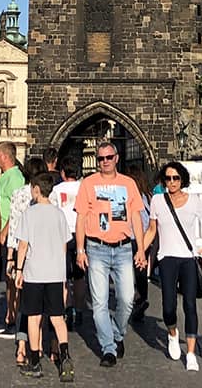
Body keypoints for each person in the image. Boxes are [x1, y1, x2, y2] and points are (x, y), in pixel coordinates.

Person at [74, 140, 146, 367]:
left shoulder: (128, 183)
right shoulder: (88, 183)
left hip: (124, 248)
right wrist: (80, 249)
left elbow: (135, 217)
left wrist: (141, 249)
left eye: (108, 157)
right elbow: (81, 218)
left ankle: (117, 333)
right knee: (100, 303)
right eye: (101, 158)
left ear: (116, 158)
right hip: (96, 248)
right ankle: (108, 350)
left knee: (126, 300)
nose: (104, 162)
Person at [144, 161, 202, 372]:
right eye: (168, 178)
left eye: (176, 178)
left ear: (182, 179)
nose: (172, 182)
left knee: (190, 305)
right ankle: (172, 333)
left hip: (188, 258)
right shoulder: (157, 201)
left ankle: (191, 353)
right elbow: (151, 230)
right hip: (166, 258)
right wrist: (140, 251)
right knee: (168, 306)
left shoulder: (193, 201)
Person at [15, 172, 74, 381]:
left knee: (34, 317)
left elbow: (23, 245)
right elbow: (64, 245)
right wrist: (63, 273)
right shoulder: (59, 214)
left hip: (34, 273)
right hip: (55, 273)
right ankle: (65, 357)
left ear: (36, 190)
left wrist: (19, 270)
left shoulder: (29, 214)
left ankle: (34, 362)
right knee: (58, 317)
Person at [5, 156, 47, 364]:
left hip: (24, 255)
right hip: (45, 255)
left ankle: (22, 346)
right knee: (40, 304)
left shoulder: (18, 194)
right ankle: (37, 345)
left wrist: (11, 258)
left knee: (25, 303)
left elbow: (13, 228)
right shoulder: (50, 196)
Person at [51, 157, 86, 329]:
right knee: (80, 276)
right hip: (81, 234)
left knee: (63, 276)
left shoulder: (56, 190)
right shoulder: (84, 188)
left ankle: (67, 307)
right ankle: (79, 311)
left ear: (63, 173)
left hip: (62, 235)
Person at [0, 141, 25, 335]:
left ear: (4, 156)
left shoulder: (15, 177)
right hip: (3, 236)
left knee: (13, 278)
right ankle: (10, 316)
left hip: (11, 236)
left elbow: (18, 208)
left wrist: (5, 230)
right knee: (8, 279)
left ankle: (14, 319)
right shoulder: (6, 176)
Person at [126, 164, 152, 322]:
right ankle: (142, 298)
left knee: (128, 271)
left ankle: (134, 300)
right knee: (141, 271)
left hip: (132, 238)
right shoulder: (147, 195)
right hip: (146, 238)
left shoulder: (131, 197)